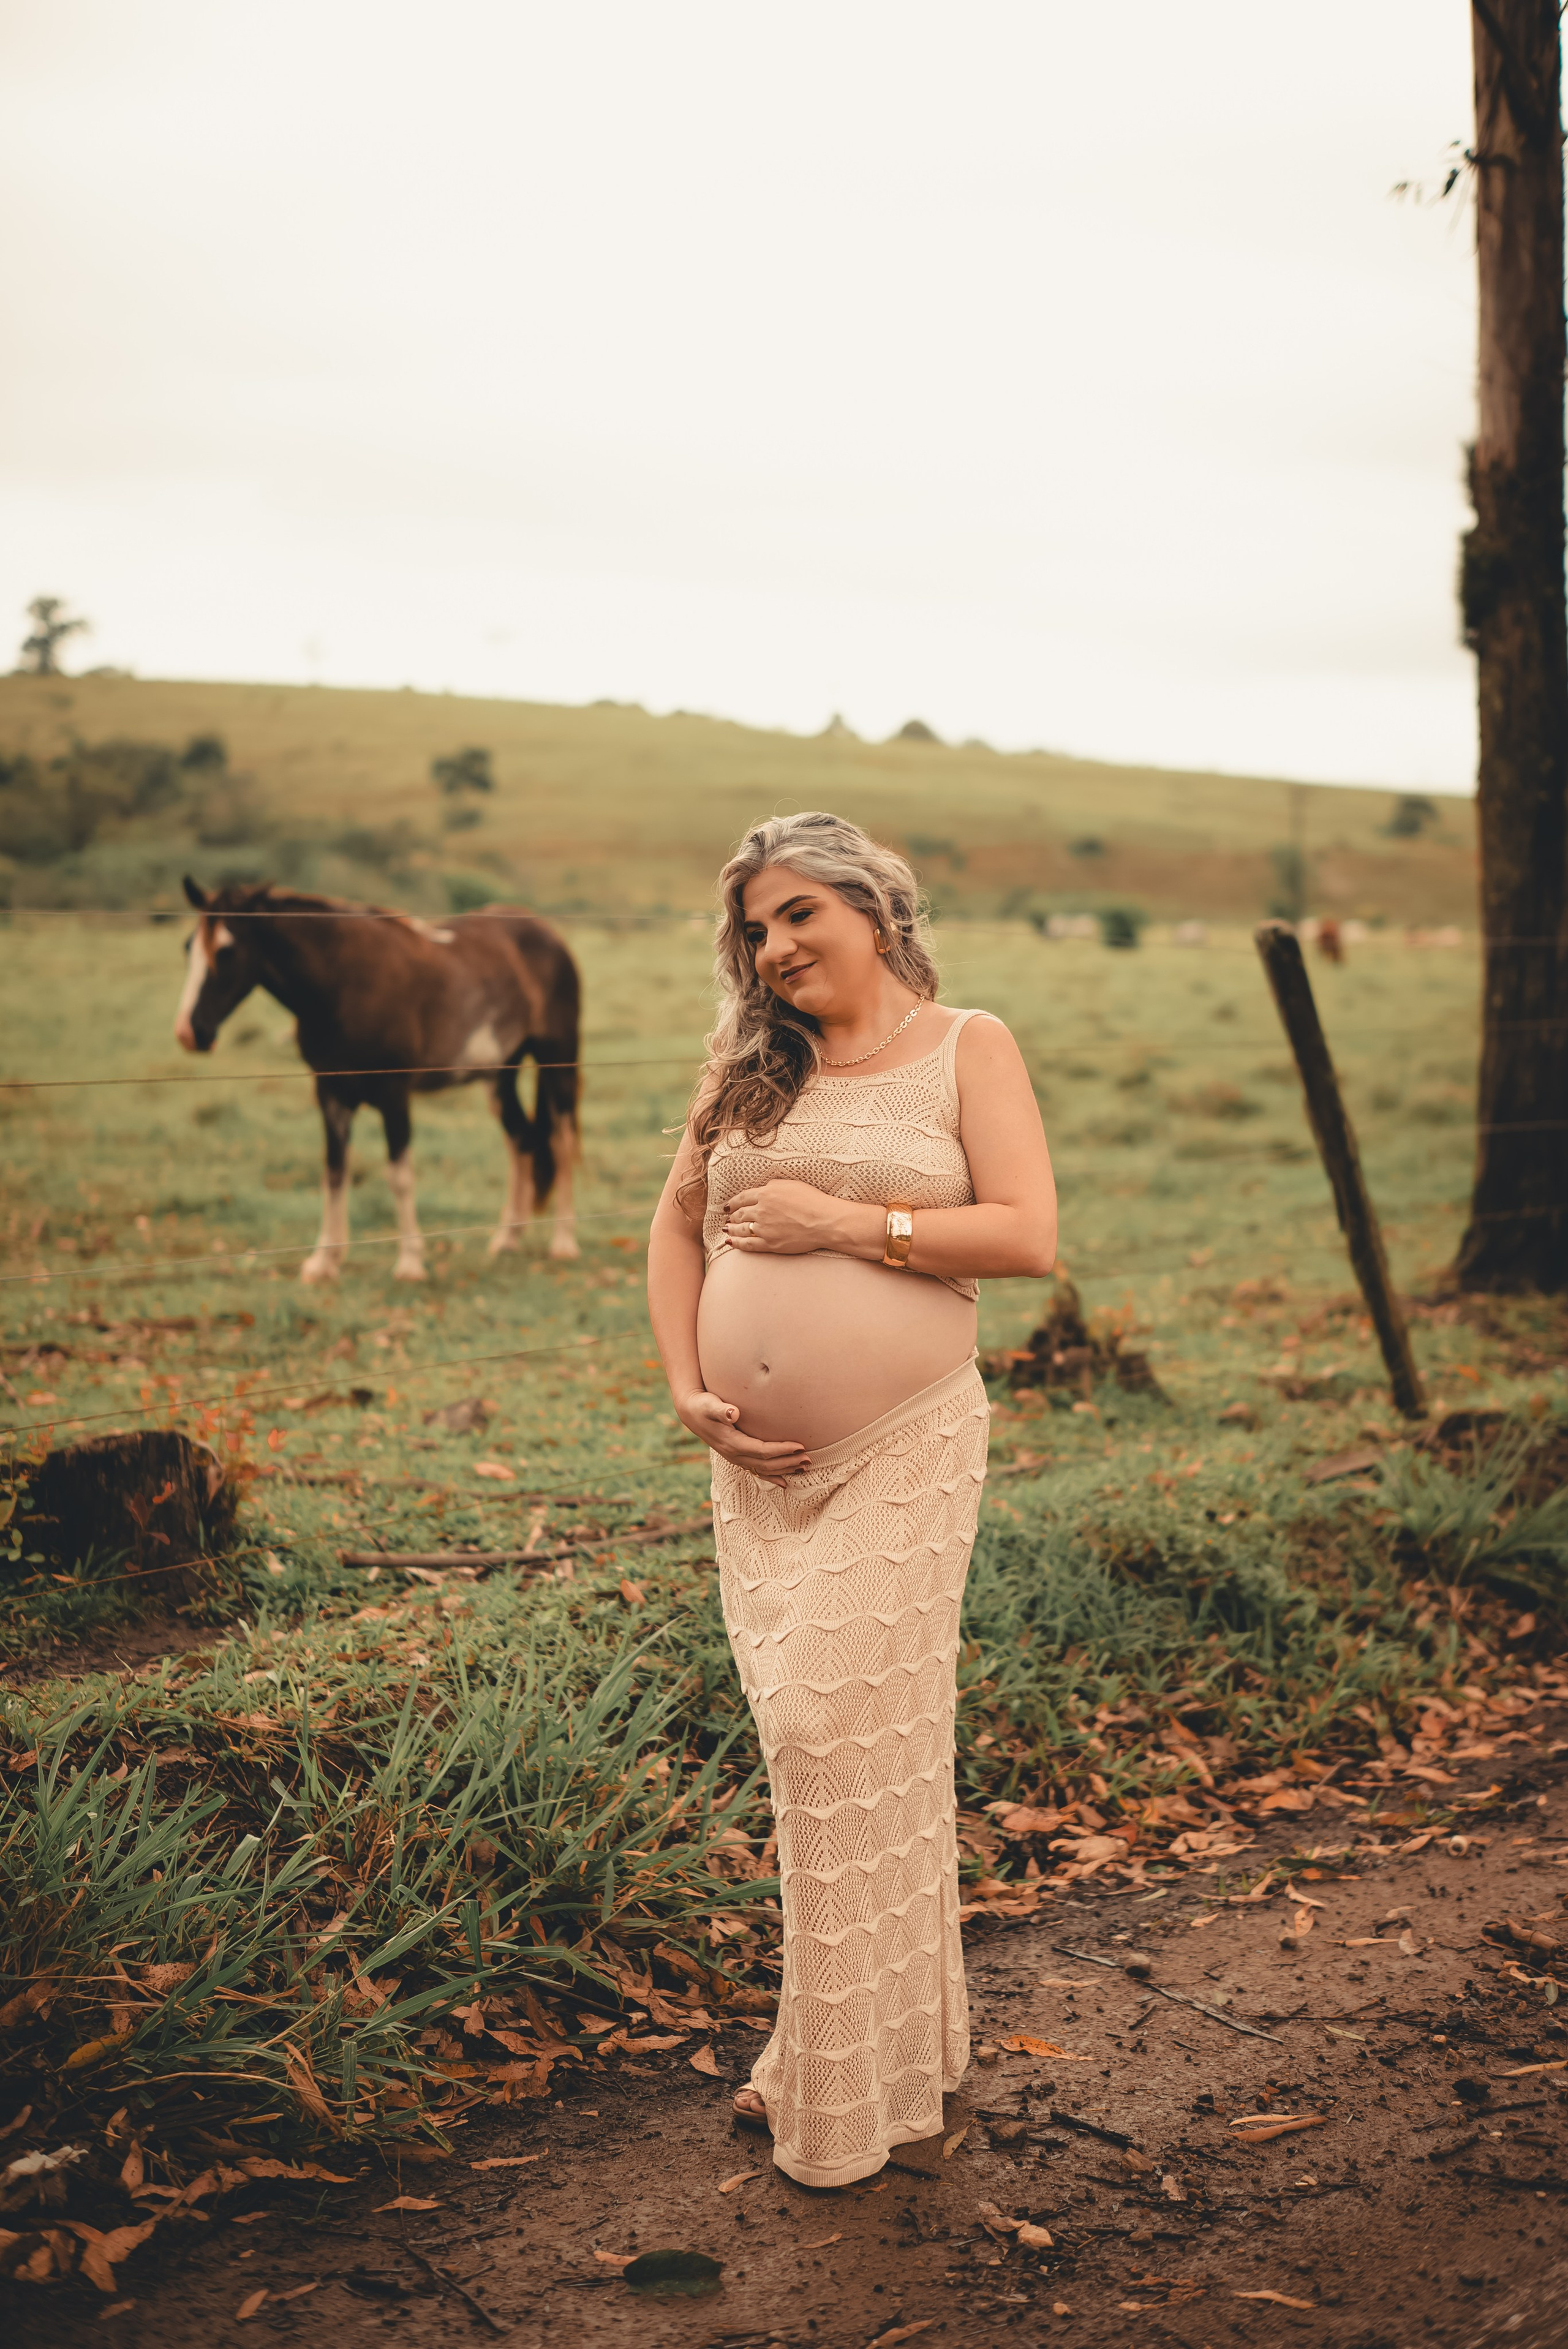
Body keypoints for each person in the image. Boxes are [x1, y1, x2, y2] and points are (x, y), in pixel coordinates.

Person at [647, 812, 1057, 2189]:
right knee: (837, 1756)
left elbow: (1023, 1235)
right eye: (754, 929)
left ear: (873, 911)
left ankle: (837, 2096)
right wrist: (681, 1382)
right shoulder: (748, 1068)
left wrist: (841, 1225)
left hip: (904, 1444)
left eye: (797, 917)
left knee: (832, 1735)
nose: (772, 949)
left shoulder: (965, 1046)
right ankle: (888, 2054)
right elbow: (671, 1227)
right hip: (756, 1477)